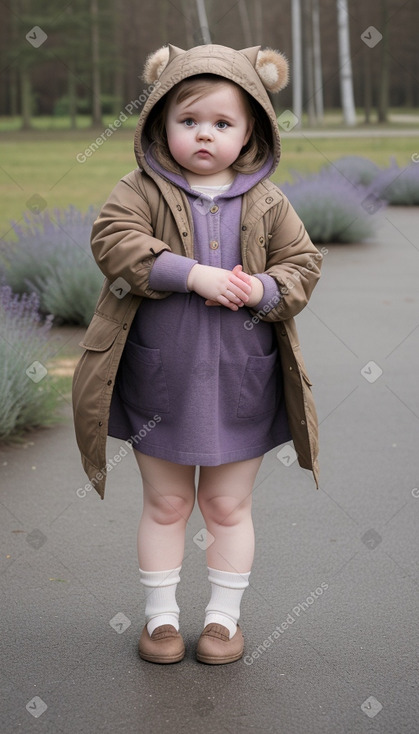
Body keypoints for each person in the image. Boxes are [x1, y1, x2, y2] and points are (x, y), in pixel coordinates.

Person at [72, 43, 322, 666]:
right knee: (168, 503)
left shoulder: (267, 203)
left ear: (251, 130)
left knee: (226, 505)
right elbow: (114, 241)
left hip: (243, 384)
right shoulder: (142, 189)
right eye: (188, 121)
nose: (204, 135)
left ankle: (221, 619)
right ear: (160, 122)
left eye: (222, 123)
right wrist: (191, 274)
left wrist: (263, 288)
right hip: (162, 384)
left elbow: (304, 264)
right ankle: (159, 619)